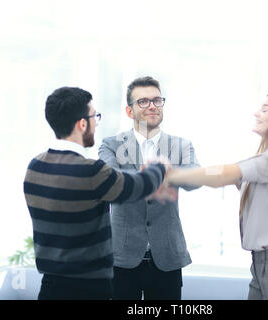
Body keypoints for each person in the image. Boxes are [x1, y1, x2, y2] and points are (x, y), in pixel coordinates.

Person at [23, 86, 171, 300]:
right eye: (95, 117)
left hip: (50, 287)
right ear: (82, 124)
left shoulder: (35, 165)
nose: (96, 123)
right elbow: (136, 186)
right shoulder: (91, 172)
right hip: (88, 291)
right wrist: (160, 166)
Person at [166, 91, 268, 300]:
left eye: (265, 109)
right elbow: (220, 176)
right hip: (263, 263)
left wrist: (170, 176)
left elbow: (223, 174)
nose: (256, 113)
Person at [98, 76, 200, 300]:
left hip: (167, 256)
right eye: (143, 101)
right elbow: (110, 182)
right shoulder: (111, 144)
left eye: (157, 100)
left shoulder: (181, 145)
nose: (152, 105)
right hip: (122, 257)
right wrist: (158, 174)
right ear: (129, 111)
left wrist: (166, 172)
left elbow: (195, 180)